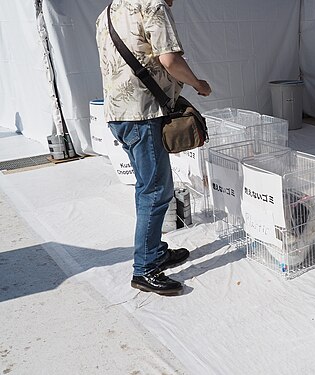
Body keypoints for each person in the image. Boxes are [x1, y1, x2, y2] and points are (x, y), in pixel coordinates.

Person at [95, 0, 212, 296]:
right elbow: (169, 60)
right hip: (142, 115)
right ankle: (145, 269)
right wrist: (199, 84)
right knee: (156, 191)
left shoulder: (107, 13)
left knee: (146, 188)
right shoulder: (152, 6)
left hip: (118, 115)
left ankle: (155, 251)